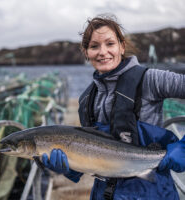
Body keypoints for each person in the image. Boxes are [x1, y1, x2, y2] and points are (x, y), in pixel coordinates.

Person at [41, 14, 185, 200]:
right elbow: (89, 162)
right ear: (86, 52)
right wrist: (68, 167)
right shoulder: (86, 99)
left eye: (110, 44)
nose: (102, 52)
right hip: (104, 194)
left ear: (122, 46)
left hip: (152, 191)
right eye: (94, 46)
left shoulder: (151, 80)